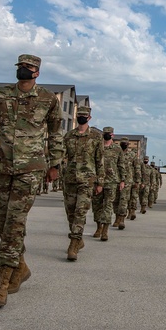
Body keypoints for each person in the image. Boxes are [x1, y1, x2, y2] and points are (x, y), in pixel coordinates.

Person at [0, 54, 64, 308]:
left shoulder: (48, 100)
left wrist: (55, 164)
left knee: (14, 223)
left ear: (37, 73)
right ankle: (20, 266)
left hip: (30, 169)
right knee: (1, 221)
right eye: (20, 66)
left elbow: (55, 134)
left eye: (28, 67)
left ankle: (2, 282)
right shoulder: (2, 95)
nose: (23, 70)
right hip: (4, 167)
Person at [62, 106, 103, 260]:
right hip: (70, 179)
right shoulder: (69, 136)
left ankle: (73, 244)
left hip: (87, 180)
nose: (81, 117)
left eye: (84, 115)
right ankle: (79, 239)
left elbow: (100, 160)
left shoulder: (96, 136)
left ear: (89, 118)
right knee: (71, 212)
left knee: (80, 211)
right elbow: (62, 155)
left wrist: (100, 182)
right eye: (79, 115)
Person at [92, 126, 126, 241]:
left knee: (108, 205)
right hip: (97, 181)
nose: (107, 135)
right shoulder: (97, 147)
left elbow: (121, 165)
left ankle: (105, 231)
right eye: (105, 133)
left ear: (113, 135)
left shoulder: (117, 149)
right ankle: (98, 227)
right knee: (97, 206)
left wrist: (122, 180)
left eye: (109, 133)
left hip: (112, 181)